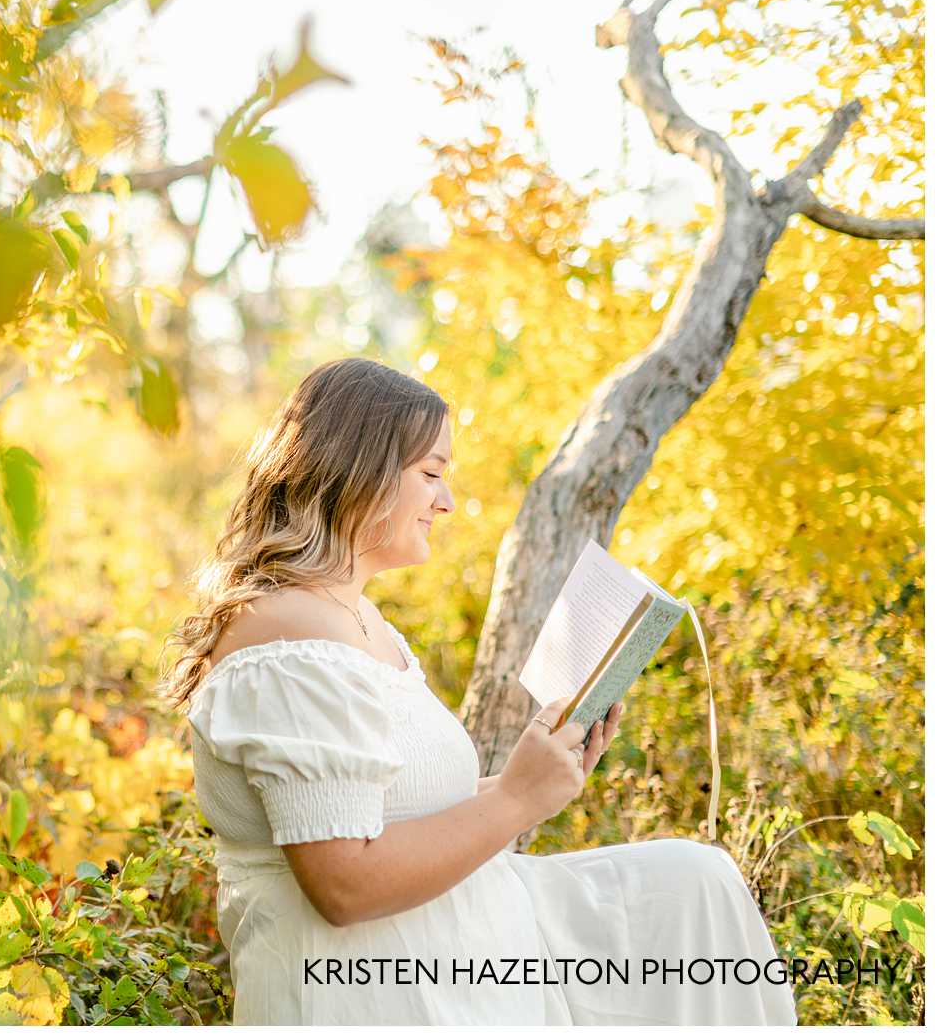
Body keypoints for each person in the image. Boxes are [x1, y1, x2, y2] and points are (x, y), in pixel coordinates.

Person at [158, 357, 797, 1025]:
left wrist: (535, 775)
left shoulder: (356, 618)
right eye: (431, 473)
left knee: (695, 884)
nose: (448, 502)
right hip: (370, 992)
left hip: (456, 943)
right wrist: (516, 799)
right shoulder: (287, 638)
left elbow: (399, 809)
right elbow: (344, 883)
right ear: (359, 470)